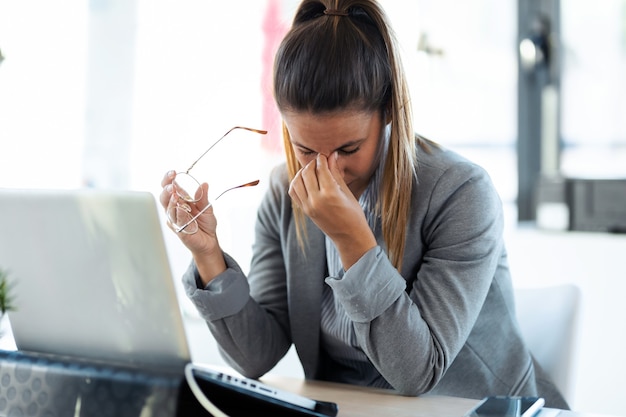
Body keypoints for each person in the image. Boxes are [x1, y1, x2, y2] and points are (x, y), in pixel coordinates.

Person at [160, 0, 568, 409]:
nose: (327, 170)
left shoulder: (462, 193)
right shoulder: (283, 195)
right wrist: (208, 255)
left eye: (348, 148)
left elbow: (416, 373)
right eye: (304, 149)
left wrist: (351, 240)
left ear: (389, 110)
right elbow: (255, 356)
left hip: (470, 407)